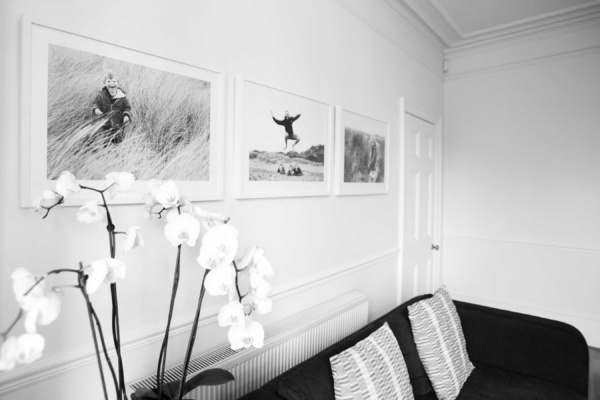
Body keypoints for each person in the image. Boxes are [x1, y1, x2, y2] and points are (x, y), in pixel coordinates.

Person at [92, 70, 132, 144]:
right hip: (104, 127)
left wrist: (126, 115)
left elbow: (127, 107)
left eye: (114, 81)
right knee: (105, 144)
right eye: (108, 81)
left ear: (118, 83)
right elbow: (96, 103)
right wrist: (96, 109)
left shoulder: (122, 97)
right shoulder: (101, 95)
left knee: (118, 144)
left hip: (118, 127)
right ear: (104, 84)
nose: (111, 83)